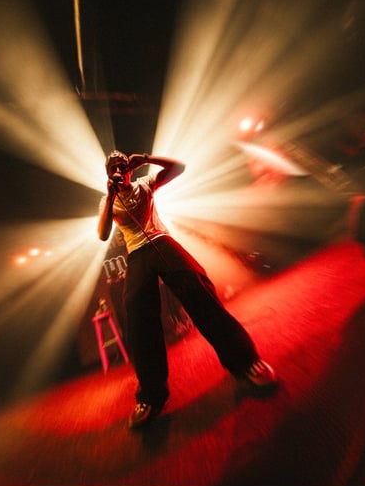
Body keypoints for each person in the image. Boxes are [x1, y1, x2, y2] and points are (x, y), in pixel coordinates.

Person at [98, 150, 277, 429]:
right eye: (113, 169)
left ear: (130, 168)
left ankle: (245, 362)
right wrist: (110, 196)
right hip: (136, 254)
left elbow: (179, 168)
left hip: (162, 242)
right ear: (109, 174)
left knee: (198, 290)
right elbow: (102, 234)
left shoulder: (145, 184)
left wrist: (146, 158)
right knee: (138, 318)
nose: (119, 171)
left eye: (122, 165)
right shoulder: (107, 199)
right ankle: (150, 396)